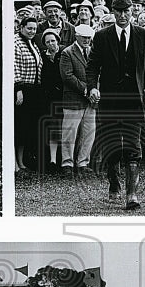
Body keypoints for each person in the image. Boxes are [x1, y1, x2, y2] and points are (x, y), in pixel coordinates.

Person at [86, 0, 145, 209]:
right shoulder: (102, 36)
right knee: (111, 146)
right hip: (109, 100)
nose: (123, 15)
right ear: (113, 12)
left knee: (133, 146)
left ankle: (132, 195)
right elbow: (92, 67)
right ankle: (114, 182)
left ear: (133, 12)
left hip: (134, 100)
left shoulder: (144, 35)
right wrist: (92, 87)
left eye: (127, 11)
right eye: (119, 12)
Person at [59, 23, 96, 179]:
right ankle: (67, 164)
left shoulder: (92, 52)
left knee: (88, 132)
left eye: (89, 38)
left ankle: (83, 163)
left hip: (91, 100)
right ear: (77, 37)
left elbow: (96, 72)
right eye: (84, 38)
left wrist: (95, 90)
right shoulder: (67, 53)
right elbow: (67, 76)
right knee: (70, 133)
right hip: (74, 99)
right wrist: (87, 89)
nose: (87, 40)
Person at [14, 14, 43, 171]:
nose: (32, 31)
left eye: (34, 29)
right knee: (19, 125)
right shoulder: (15, 42)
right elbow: (15, 66)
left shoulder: (32, 43)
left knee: (27, 126)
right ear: (22, 27)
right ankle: (15, 162)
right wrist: (18, 88)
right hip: (22, 89)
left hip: (33, 89)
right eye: (29, 28)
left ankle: (22, 161)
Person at [40, 29, 63, 173]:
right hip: (49, 97)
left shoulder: (65, 53)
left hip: (64, 96)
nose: (51, 44)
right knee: (53, 128)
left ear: (58, 41)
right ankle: (53, 160)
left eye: (53, 41)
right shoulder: (43, 56)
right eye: (47, 42)